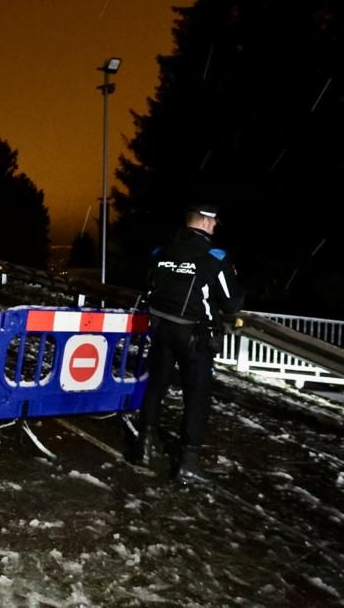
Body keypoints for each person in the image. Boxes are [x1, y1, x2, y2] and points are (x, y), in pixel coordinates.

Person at [128, 204, 243, 484]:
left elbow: (150, 284)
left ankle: (144, 445)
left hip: (160, 328)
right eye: (214, 224)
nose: (215, 229)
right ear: (204, 222)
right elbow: (231, 302)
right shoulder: (215, 257)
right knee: (197, 396)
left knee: (157, 384)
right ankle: (188, 463)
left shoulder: (162, 250)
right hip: (193, 334)